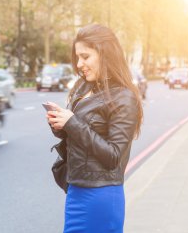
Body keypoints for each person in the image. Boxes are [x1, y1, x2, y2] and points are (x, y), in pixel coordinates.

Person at [46, 24, 143, 233]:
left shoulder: (123, 97)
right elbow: (79, 133)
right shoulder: (84, 87)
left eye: (85, 57)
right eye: (77, 57)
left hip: (100, 195)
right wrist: (61, 124)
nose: (79, 64)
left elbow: (113, 156)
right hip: (76, 189)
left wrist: (72, 123)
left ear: (105, 54)